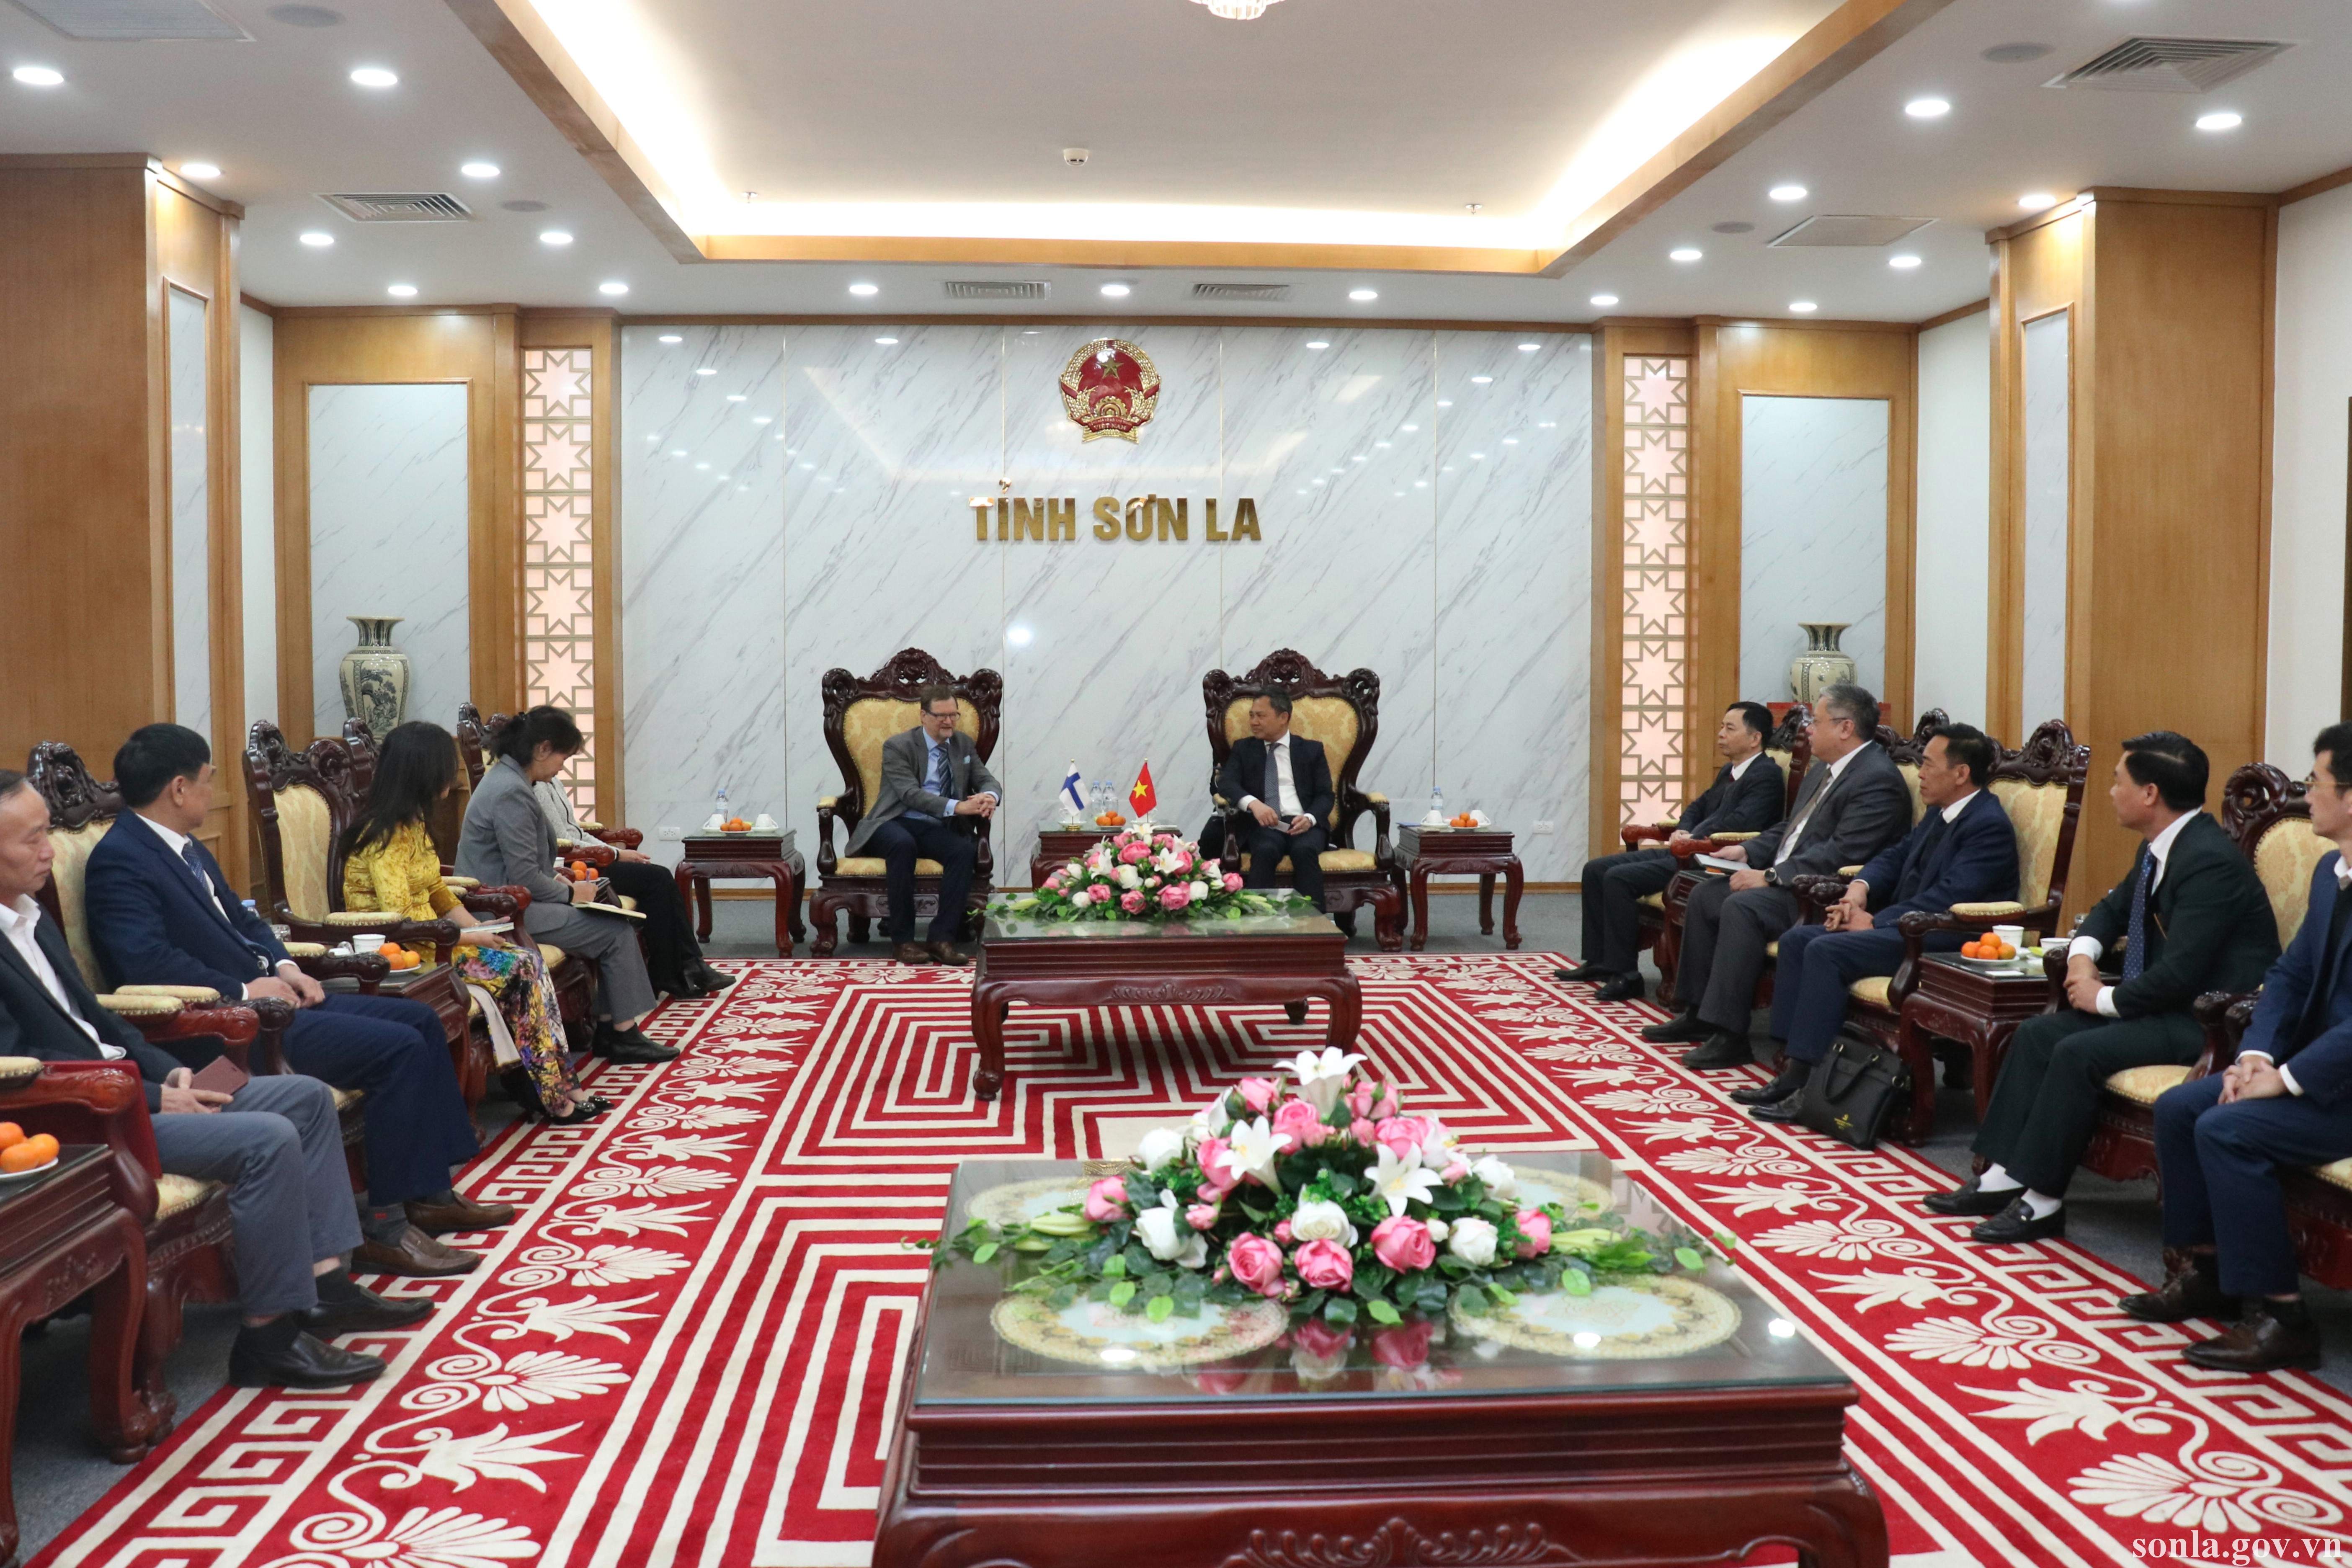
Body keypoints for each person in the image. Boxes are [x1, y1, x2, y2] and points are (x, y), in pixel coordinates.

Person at [0, 769, 429, 1389]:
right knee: (267, 1139)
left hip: (138, 1085)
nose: (48, 851)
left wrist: (171, 1072)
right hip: (90, 1117)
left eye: (48, 834)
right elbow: (19, 1067)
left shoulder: (31, 917)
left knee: (306, 1099)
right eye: (31, 839)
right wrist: (155, 1096)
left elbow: (98, 1022)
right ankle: (268, 1339)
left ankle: (327, 1286)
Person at [84, 724, 507, 1278]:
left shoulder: (186, 847)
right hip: (227, 1028)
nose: (212, 791)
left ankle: (428, 1193)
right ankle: (385, 1227)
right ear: (180, 789)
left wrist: (286, 967)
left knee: (420, 1021)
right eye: (209, 781)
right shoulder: (121, 860)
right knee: (397, 1049)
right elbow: (147, 963)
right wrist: (245, 991)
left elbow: (246, 922)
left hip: (276, 1001)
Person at [1928, 731, 2280, 1243]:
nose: (2112, 792)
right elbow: (2109, 912)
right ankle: (2002, 1175)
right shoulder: (2160, 847)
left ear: (2150, 793)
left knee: (2078, 1052)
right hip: (2163, 1004)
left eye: (2119, 782)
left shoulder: (2208, 862)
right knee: (2036, 1034)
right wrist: (2082, 960)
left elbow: (2181, 975)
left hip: (2206, 1019)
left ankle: (2043, 1201)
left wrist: (2103, 998)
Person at [2118, 724, 2352, 1371]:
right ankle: (2212, 1273)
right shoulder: (2332, 873)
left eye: (2315, 782)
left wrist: (2288, 1079)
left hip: (2340, 1086)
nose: (2307, 795)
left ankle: (2284, 1317)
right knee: (2181, 1108)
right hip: (2316, 1071)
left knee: (2228, 1131)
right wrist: (2256, 1057)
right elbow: (2290, 976)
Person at [1741, 723, 2018, 1119]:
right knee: (1797, 940)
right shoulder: (1939, 814)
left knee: (1825, 951)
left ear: (1961, 773)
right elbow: (1894, 856)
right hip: (1906, 925)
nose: (1920, 774)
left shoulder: (1986, 825)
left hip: (1945, 937)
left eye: (1929, 765)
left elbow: (1949, 898)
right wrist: (1859, 890)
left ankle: (1813, 1089)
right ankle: (1793, 1072)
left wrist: (1875, 923)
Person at [345, 721, 610, 1123]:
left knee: (526, 959)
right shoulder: (385, 835)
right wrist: (469, 937)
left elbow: (437, 892)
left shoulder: (412, 823)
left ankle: (562, 1086)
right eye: (444, 767)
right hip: (404, 952)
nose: (452, 778)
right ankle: (553, 1097)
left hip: (434, 940)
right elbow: (401, 915)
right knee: (522, 968)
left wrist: (479, 930)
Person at [1645, 684, 1912, 1069]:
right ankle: (1699, 1012)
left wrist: (1771, 876)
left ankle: (1730, 1035)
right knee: (1705, 895)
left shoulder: (1876, 779)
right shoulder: (1823, 770)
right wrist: (1747, 851)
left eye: (1816, 721)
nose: (1808, 730)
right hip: (1789, 878)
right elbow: (1793, 827)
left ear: (1845, 728)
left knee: (1742, 907)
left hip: (1822, 893)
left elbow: (1843, 853)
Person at [456, 707, 676, 1062]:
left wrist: (557, 878)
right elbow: (524, 877)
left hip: (514, 899)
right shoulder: (511, 792)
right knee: (615, 932)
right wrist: (574, 892)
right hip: (502, 911)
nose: (563, 766)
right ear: (543, 749)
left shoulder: (511, 781)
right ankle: (621, 1035)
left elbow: (524, 864)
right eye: (564, 757)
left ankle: (613, 1029)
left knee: (612, 921)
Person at [1557, 701, 1784, 1002]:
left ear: (1755, 738)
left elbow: (1740, 824)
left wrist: (1693, 837)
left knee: (1619, 878)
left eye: (1730, 729)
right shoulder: (1730, 770)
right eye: (1721, 727)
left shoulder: (1766, 775)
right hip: (1687, 848)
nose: (1721, 734)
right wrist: (1684, 829)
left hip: (1709, 858)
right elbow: (1698, 807)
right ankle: (1600, 960)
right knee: (1595, 869)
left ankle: (1626, 975)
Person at [529, 757, 730, 999]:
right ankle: (680, 967)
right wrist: (616, 854)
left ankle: (682, 966)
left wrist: (613, 851)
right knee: (656, 879)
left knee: (658, 879)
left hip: (594, 857)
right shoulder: (537, 787)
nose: (564, 764)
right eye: (562, 756)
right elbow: (564, 841)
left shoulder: (554, 781)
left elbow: (578, 831)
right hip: (577, 865)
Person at [840, 685, 1001, 966]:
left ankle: (941, 939)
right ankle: (903, 942)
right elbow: (910, 794)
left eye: (954, 715)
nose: (949, 721)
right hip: (893, 821)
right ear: (924, 716)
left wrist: (989, 796)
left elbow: (986, 778)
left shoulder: (962, 744)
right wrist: (958, 807)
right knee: (903, 845)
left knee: (963, 850)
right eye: (941, 716)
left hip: (934, 827)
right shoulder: (898, 746)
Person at [1217, 692, 1337, 912]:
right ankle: (1258, 920)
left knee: (1304, 851)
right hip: (1265, 824)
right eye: (1251, 715)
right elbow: (1227, 784)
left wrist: (1310, 818)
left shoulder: (1311, 750)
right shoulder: (1244, 749)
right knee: (1265, 850)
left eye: (1261, 716)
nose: (1254, 722)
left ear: (1283, 717)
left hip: (1304, 823)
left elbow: (1325, 795)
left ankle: (1312, 923)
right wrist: (1254, 804)